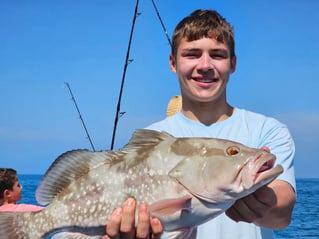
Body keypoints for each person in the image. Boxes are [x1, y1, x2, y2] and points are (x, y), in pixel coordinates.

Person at [105, 9, 296, 239]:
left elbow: (282, 212)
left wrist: (264, 202)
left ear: (233, 64)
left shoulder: (267, 130)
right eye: (192, 54)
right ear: (173, 63)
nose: (205, 65)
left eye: (217, 55)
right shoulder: (151, 138)